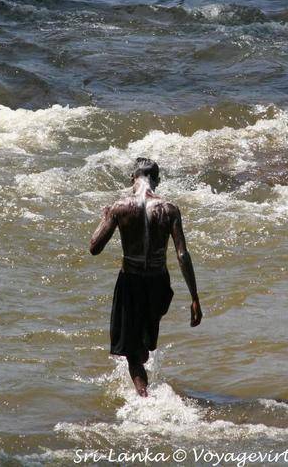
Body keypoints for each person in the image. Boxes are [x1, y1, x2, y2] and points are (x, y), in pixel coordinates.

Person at [89, 157, 202, 397]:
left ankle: (145, 399)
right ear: (157, 181)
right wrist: (195, 298)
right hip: (159, 284)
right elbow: (182, 255)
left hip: (131, 282)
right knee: (143, 346)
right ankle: (147, 388)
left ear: (132, 179)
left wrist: (105, 217)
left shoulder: (120, 207)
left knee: (133, 353)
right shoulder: (170, 209)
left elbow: (94, 248)